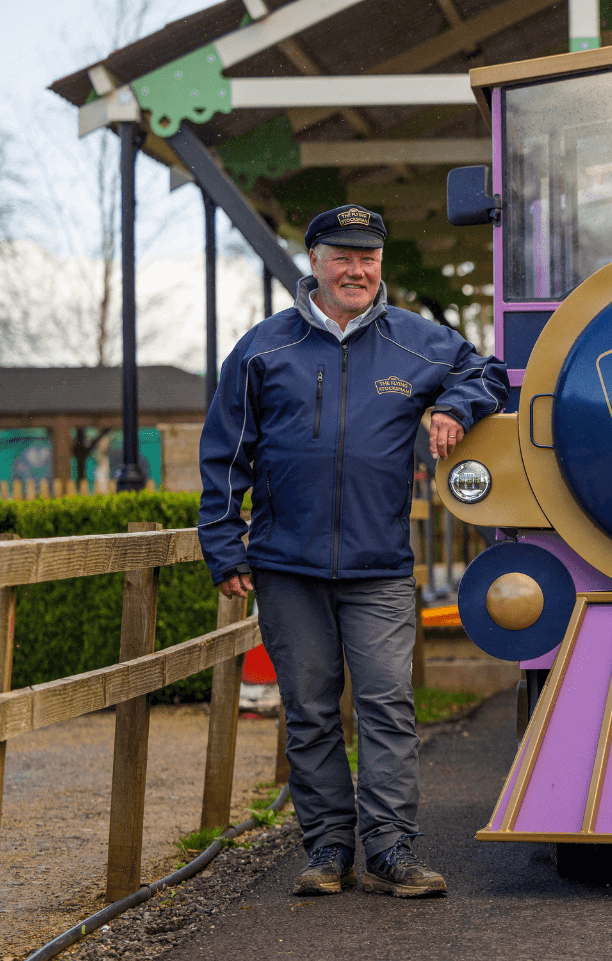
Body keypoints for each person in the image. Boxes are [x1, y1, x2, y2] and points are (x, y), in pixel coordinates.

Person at [198, 205, 508, 898]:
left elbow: (490, 371)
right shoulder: (262, 350)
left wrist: (456, 404)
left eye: (368, 257)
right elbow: (225, 455)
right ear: (313, 261)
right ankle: (329, 848)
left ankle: (391, 849)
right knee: (308, 709)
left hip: (379, 568)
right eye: (342, 255)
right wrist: (224, 544)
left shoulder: (418, 344)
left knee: (387, 705)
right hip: (285, 566)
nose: (356, 269)